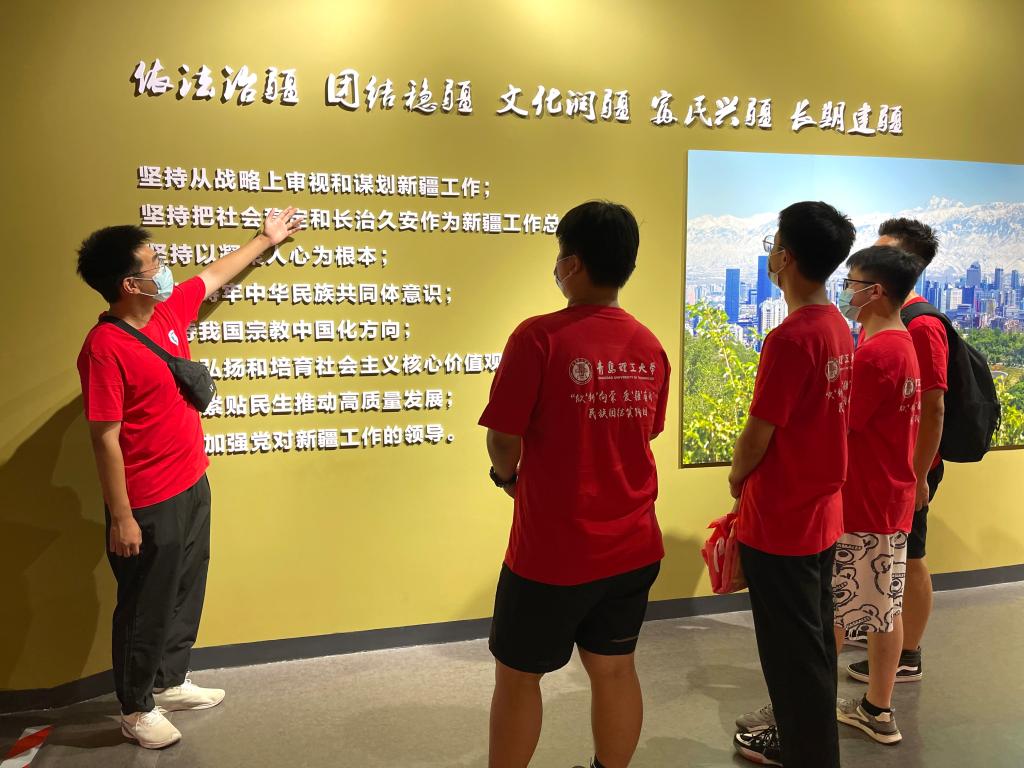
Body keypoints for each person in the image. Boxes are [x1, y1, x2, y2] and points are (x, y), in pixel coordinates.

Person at [75, 208, 303, 749]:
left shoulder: (166, 312)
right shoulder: (104, 348)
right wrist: (123, 518)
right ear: (129, 284)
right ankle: (135, 708)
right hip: (147, 500)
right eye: (154, 262)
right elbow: (105, 438)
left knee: (184, 587)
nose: (164, 267)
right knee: (144, 604)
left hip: (191, 480)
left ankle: (169, 680)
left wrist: (265, 239)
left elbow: (215, 274)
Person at [479, 201, 670, 768]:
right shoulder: (648, 344)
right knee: (615, 670)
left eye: (561, 255)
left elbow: (503, 439)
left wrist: (507, 479)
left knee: (518, 677)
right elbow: (646, 431)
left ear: (574, 263)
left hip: (553, 550)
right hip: (634, 544)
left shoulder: (538, 337)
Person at [730, 202, 856, 767]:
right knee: (813, 643)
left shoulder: (790, 338)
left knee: (791, 656)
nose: (770, 254)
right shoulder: (836, 326)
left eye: (774, 244)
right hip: (821, 512)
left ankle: (808, 754)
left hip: (781, 518)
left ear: (785, 258)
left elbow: (758, 434)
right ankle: (808, 747)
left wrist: (736, 476)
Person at [829, 246, 923, 744]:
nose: (846, 291)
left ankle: (804, 712)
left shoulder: (876, 355)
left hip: (861, 503)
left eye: (852, 282)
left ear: (876, 291)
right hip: (889, 499)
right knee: (885, 608)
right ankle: (877, 708)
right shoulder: (901, 345)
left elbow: (840, 427)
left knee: (833, 610)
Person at [846, 218, 944, 683]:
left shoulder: (914, 330)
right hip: (891, 479)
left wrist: (919, 475)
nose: (849, 291)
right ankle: (880, 694)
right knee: (885, 591)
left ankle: (905, 658)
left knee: (902, 569)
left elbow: (934, 407)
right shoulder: (894, 334)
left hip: (889, 480)